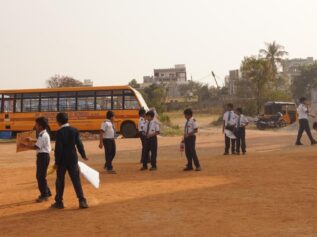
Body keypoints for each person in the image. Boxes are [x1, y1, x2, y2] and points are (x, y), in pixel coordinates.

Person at [51, 112, 88, 209]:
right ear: (67, 120)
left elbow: (59, 149)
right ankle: (82, 200)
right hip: (72, 158)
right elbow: (79, 144)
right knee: (76, 180)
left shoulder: (59, 133)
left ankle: (59, 201)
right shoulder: (74, 130)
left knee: (60, 180)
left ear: (58, 121)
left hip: (62, 160)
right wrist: (83, 155)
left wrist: (56, 162)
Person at [22, 117, 52, 202]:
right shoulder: (43, 134)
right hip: (43, 156)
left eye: (36, 124)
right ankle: (47, 192)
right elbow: (39, 142)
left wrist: (25, 146)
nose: (35, 126)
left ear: (41, 126)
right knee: (41, 175)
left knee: (40, 176)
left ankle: (44, 195)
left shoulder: (43, 135)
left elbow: (36, 146)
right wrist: (32, 140)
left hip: (43, 156)